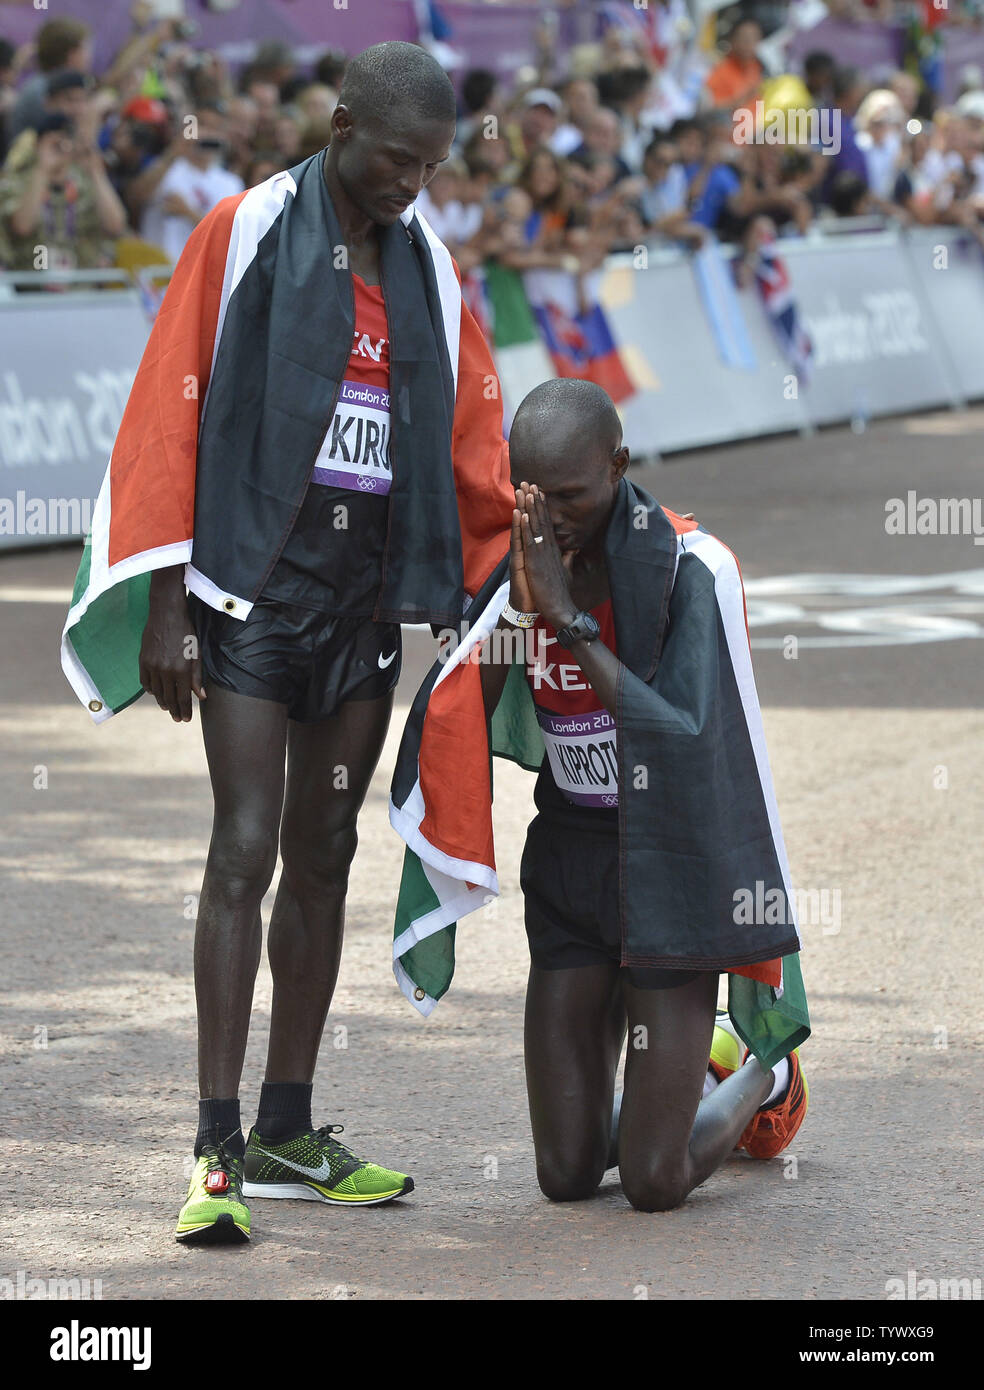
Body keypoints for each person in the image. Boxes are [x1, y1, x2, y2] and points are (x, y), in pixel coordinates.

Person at [60, 41, 513, 1245]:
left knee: (323, 850)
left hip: (361, 607)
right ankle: (213, 1150)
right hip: (249, 592)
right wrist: (163, 599)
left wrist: (498, 579)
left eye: (429, 167)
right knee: (246, 844)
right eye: (394, 160)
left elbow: (473, 433)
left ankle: (287, 1124)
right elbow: (170, 399)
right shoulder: (245, 227)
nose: (411, 185)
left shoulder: (429, 265)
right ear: (340, 121)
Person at [388, 378, 810, 1211]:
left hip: (671, 866)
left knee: (653, 1182)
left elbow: (682, 736)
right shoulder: (522, 558)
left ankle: (763, 1073)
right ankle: (661, 1093)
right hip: (574, 862)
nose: (549, 519)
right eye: (530, 497)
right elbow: (467, 705)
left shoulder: (695, 570)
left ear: (618, 466)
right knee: (568, 1174)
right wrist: (511, 609)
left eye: (572, 496)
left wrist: (568, 616)